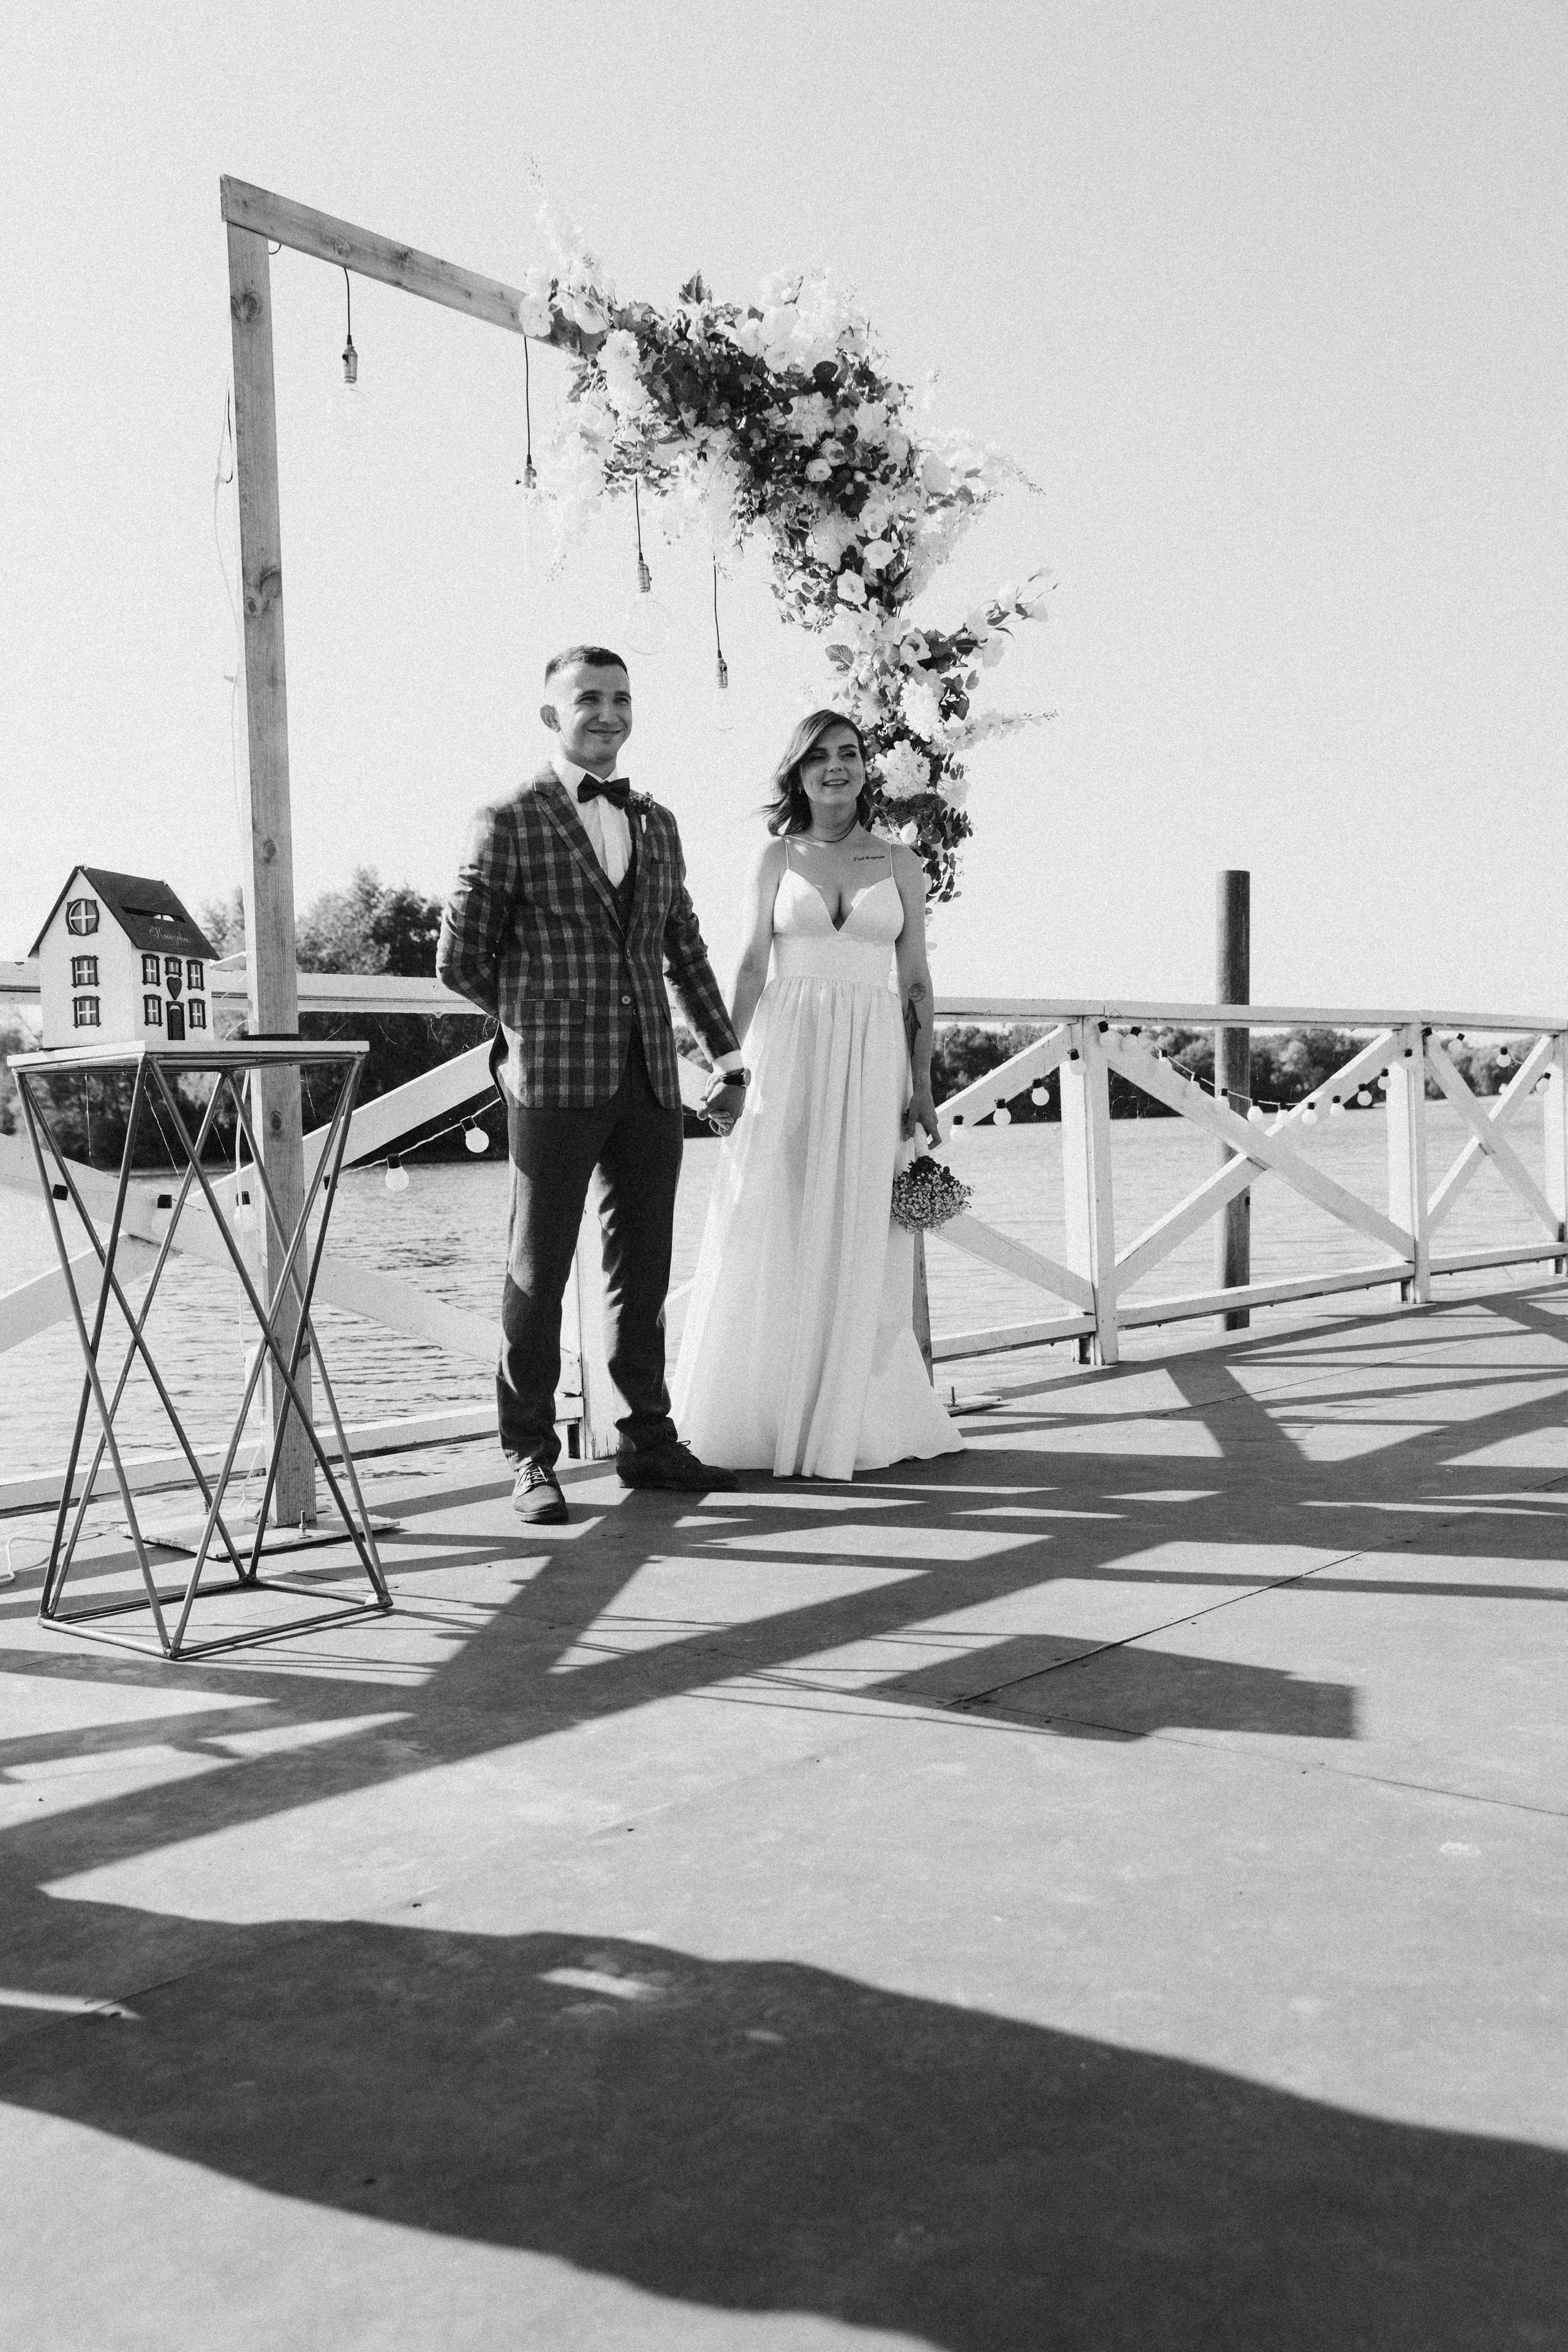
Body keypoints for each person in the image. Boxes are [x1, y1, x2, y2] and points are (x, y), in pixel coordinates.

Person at [437, 645, 746, 1524]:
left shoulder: (657, 819)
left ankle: (647, 1442)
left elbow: (682, 947)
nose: (607, 714)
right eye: (588, 700)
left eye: (620, 699)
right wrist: (538, 1018)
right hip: (553, 1079)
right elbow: (458, 961)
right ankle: (528, 1456)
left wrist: (726, 1060)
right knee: (535, 1277)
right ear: (551, 715)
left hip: (653, 1076)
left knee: (641, 1272)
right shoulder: (506, 818)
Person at [670, 710, 963, 1480]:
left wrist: (923, 1082)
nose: (836, 767)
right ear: (796, 773)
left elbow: (918, 982)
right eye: (819, 757)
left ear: (867, 767)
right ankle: (765, 1411)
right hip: (787, 1050)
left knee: (862, 1222)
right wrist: (726, 1066)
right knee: (775, 1213)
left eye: (850, 754)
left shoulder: (902, 864)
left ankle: (855, 1415)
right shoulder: (775, 856)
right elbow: (746, 968)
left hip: (874, 1059)